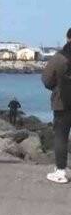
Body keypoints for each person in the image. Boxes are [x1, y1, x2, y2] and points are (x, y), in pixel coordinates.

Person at [41, 27, 71, 184]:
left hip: (62, 102)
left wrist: (56, 87)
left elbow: (46, 79)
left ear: (67, 38)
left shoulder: (59, 58)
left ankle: (61, 171)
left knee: (61, 136)